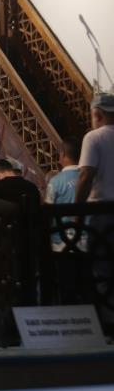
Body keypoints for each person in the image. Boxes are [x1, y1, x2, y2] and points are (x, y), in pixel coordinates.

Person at [77, 92, 114, 329]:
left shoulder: (94, 137)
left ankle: (109, 324)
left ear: (97, 114)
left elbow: (86, 175)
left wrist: (76, 210)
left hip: (102, 214)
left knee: (102, 269)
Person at [45, 139, 88, 303]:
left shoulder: (56, 181)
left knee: (66, 286)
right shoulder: (88, 178)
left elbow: (48, 211)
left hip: (62, 242)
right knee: (86, 286)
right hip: (88, 239)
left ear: (62, 155)